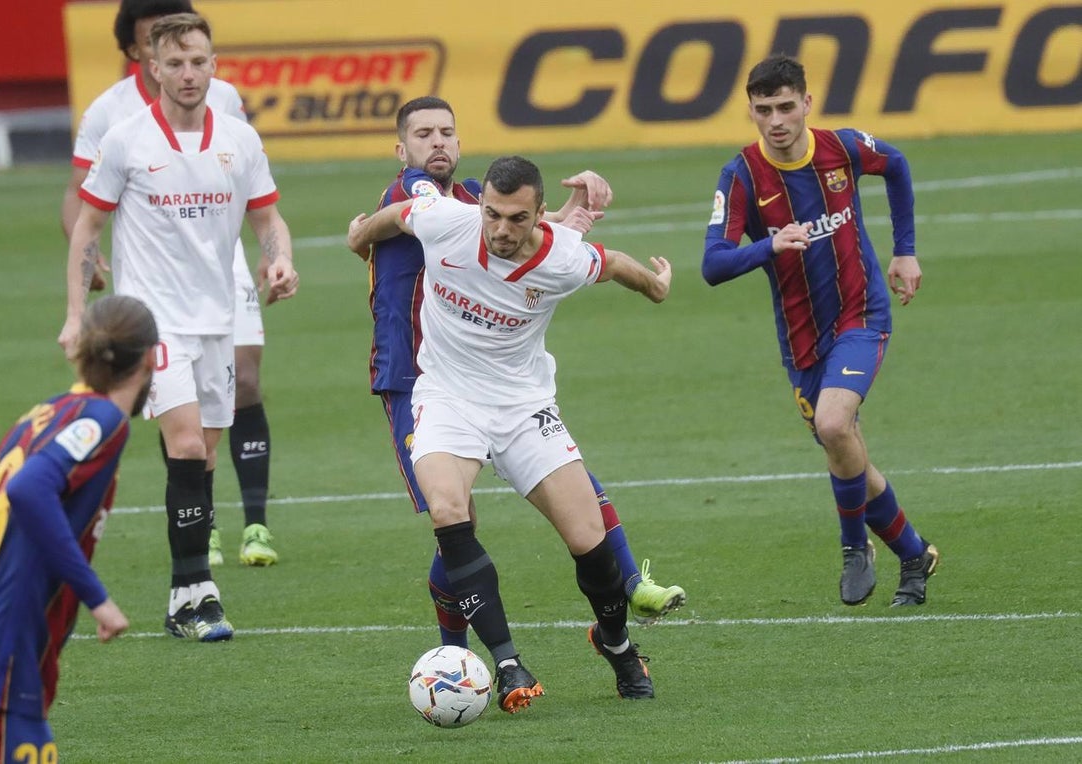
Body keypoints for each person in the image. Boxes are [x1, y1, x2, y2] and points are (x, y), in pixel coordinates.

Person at [357, 96, 685, 649]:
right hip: (415, 374)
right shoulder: (415, 193)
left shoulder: (471, 201)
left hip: (496, 380)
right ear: (401, 149)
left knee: (564, 476)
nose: (436, 142)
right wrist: (359, 234)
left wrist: (566, 216)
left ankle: (626, 582)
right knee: (455, 524)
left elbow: (520, 232)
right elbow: (414, 221)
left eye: (446, 132)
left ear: (461, 144)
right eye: (423, 134)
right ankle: (456, 654)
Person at [58, 12, 299, 641]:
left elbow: (268, 218)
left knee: (202, 456)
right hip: (152, 321)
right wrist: (77, 316)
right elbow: (87, 228)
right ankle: (203, 595)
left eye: (199, 61)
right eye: (175, 63)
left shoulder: (240, 139)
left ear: (213, 64)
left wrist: (280, 260)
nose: (189, 74)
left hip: (218, 315)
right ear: (153, 68)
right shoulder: (128, 140)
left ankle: (182, 595)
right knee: (187, 444)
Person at [702, 54, 939, 607]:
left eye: (786, 107)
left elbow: (897, 165)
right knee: (845, 447)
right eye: (764, 110)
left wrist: (905, 251)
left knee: (835, 425)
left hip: (862, 315)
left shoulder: (844, 148)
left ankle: (855, 549)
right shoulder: (740, 175)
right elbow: (713, 264)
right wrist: (769, 245)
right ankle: (915, 552)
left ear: (807, 103)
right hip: (802, 341)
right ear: (752, 112)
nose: (776, 120)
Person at [0, 295, 157, 764]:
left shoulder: (48, 412)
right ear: (152, 358)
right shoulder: (105, 420)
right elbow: (30, 488)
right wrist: (99, 599)